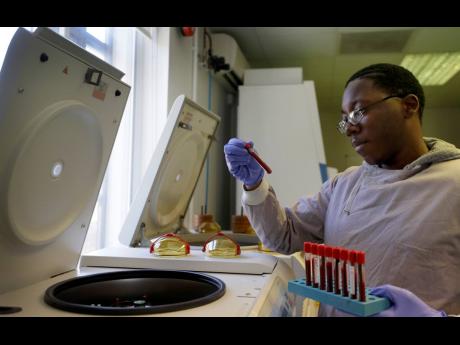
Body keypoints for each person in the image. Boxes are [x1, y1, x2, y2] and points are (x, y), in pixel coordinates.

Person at [224, 63, 460, 317]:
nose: (349, 128)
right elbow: (283, 235)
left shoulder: (453, 181)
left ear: (408, 105)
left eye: (358, 112)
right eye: (345, 119)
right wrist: (255, 185)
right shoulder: (345, 184)